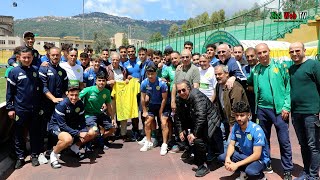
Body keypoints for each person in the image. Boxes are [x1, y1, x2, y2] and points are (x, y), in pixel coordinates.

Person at [247, 43, 293, 179]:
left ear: (269, 51)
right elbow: (248, 82)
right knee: (263, 139)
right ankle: (266, 163)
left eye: (264, 52)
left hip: (279, 110)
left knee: (284, 140)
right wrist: (233, 78)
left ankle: (287, 169)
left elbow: (288, 87)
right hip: (261, 110)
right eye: (259, 53)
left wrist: (286, 106)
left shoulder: (280, 66)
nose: (262, 55)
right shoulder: (255, 70)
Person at [175, 80, 223, 177]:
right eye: (179, 91)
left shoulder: (197, 96)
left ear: (189, 88)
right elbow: (178, 116)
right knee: (187, 135)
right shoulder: (179, 98)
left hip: (210, 120)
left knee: (198, 140)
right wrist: (180, 130)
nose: (181, 93)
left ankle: (203, 165)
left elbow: (201, 117)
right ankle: (195, 154)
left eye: (183, 90)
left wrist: (194, 134)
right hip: (196, 119)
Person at [288, 42, 320, 180]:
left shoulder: (313, 65)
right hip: (296, 113)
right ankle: (306, 171)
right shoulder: (291, 69)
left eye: (297, 50)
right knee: (303, 145)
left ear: (304, 50)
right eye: (292, 51)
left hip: (311, 112)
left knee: (313, 145)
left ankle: (313, 175)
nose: (295, 54)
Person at [6, 47, 42, 169]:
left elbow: (39, 91)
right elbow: (9, 92)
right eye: (24, 57)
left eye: (29, 57)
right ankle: (20, 157)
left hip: (34, 109)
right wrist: (10, 108)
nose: (26, 59)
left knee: (34, 133)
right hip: (19, 110)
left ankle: (34, 155)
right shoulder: (14, 72)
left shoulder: (36, 71)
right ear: (19, 58)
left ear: (32, 57)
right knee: (18, 134)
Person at [218, 101, 269, 180]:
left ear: (248, 115)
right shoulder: (236, 126)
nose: (239, 118)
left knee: (251, 172)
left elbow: (257, 155)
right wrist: (228, 158)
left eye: (242, 115)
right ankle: (243, 173)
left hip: (259, 159)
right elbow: (231, 144)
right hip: (245, 155)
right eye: (237, 115)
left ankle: (261, 177)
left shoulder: (257, 130)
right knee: (222, 157)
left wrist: (237, 164)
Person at [47, 86, 96, 169]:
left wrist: (84, 131)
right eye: (71, 95)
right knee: (67, 139)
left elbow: (82, 121)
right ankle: (54, 155)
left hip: (71, 125)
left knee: (92, 133)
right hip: (56, 126)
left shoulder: (80, 103)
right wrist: (78, 133)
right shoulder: (61, 105)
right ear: (67, 94)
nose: (74, 97)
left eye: (76, 95)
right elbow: (62, 125)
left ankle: (75, 147)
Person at [38, 47, 68, 160]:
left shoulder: (62, 71)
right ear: (49, 55)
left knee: (55, 127)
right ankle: (40, 152)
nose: (55, 57)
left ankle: (52, 150)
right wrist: (53, 98)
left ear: (60, 56)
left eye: (57, 55)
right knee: (42, 128)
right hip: (45, 104)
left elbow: (66, 88)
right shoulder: (43, 69)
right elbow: (43, 88)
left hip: (58, 105)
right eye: (53, 55)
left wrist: (69, 97)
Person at [214, 65, 249, 151]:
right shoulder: (218, 85)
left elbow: (237, 107)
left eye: (220, 74)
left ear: (226, 74)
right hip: (225, 118)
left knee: (234, 142)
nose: (217, 76)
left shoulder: (234, 87)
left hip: (238, 119)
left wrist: (232, 124)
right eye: (216, 75)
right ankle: (226, 158)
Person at [79, 71, 116, 149]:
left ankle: (100, 139)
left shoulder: (107, 92)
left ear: (106, 82)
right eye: (99, 80)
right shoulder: (88, 90)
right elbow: (77, 98)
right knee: (94, 130)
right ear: (96, 81)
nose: (101, 82)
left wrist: (113, 118)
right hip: (89, 115)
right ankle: (88, 143)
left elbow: (109, 106)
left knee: (113, 128)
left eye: (103, 81)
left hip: (99, 114)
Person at [140, 65, 170, 155]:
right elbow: (142, 98)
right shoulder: (144, 83)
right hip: (152, 105)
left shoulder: (162, 83)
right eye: (148, 74)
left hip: (163, 105)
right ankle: (148, 142)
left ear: (156, 73)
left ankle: (164, 144)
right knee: (147, 123)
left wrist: (161, 111)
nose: (150, 76)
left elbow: (164, 99)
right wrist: (144, 111)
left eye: (152, 74)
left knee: (164, 123)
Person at [106, 52, 129, 141]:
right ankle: (111, 133)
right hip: (111, 95)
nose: (115, 61)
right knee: (111, 115)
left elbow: (126, 79)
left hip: (122, 96)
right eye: (113, 60)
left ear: (119, 61)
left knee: (123, 115)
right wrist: (108, 82)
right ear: (111, 60)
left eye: (117, 60)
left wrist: (127, 79)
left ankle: (123, 133)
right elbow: (101, 81)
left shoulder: (123, 69)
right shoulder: (106, 69)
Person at [123, 45, 142, 140]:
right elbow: (124, 77)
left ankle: (144, 131)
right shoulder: (125, 64)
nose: (130, 53)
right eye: (129, 52)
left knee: (142, 111)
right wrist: (127, 78)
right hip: (131, 90)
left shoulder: (140, 61)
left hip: (141, 90)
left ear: (135, 52)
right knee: (133, 111)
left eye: (132, 51)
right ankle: (135, 130)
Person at [243, 47, 258, 122]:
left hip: (259, 102)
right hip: (248, 101)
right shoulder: (244, 69)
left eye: (252, 56)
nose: (250, 58)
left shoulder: (261, 67)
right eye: (247, 56)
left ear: (256, 55)